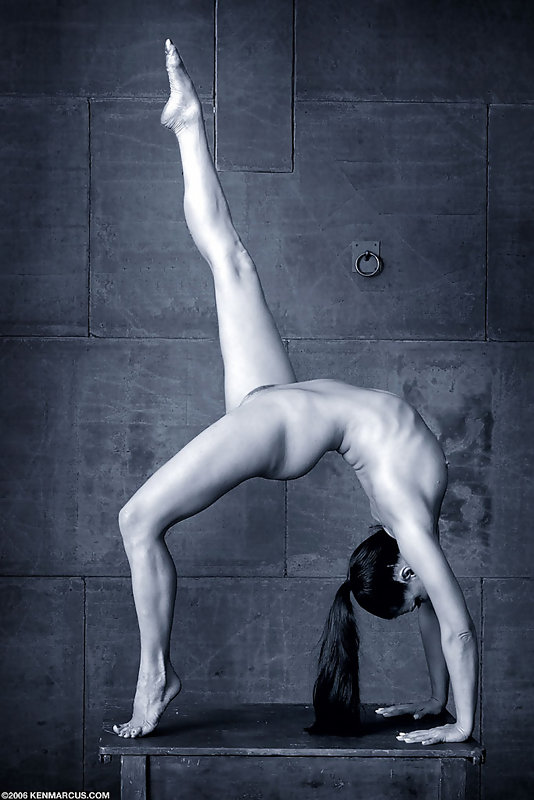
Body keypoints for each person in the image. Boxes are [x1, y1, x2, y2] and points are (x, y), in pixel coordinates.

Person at [112, 39, 478, 744]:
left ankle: (154, 673)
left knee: (230, 264)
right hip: (280, 414)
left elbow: (435, 608)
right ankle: (188, 124)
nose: (425, 600)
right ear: (404, 567)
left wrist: (442, 702)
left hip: (285, 415)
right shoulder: (408, 520)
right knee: (230, 261)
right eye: (414, 599)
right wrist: (456, 720)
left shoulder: (410, 516)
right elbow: (455, 626)